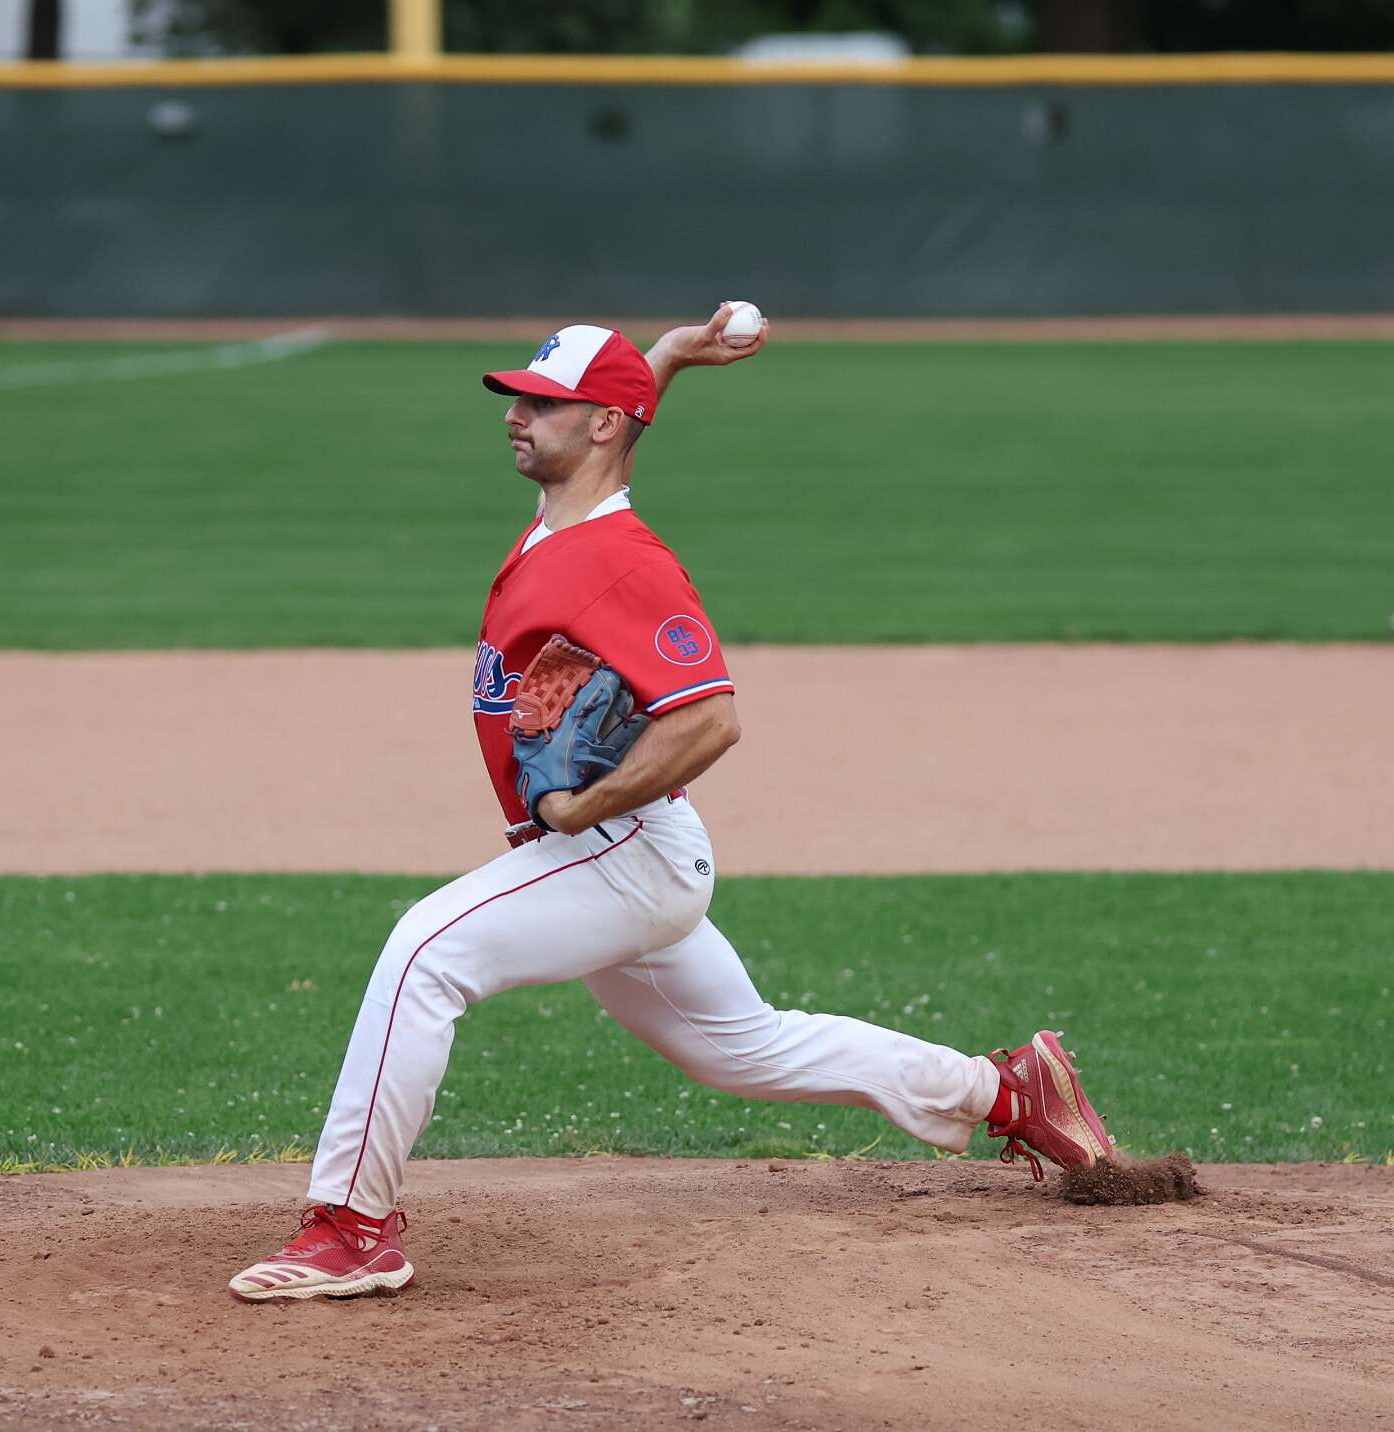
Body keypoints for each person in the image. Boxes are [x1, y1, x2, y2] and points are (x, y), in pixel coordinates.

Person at [227, 305, 1115, 1303]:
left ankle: (352, 1228)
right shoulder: (564, 522)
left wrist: (588, 805)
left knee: (423, 954)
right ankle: (1009, 1091)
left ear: (599, 424)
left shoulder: (621, 562)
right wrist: (664, 360)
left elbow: (710, 720)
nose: (516, 414)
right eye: (519, 398)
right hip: (619, 853)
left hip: (623, 849)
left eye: (542, 403)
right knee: (745, 1047)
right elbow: (612, 435)